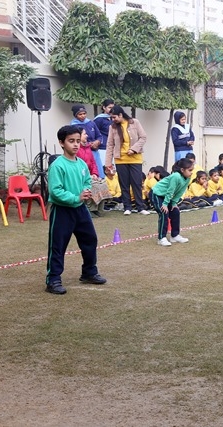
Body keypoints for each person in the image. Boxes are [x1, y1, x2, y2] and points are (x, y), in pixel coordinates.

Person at [45, 125, 107, 295]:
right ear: (62, 143)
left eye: (78, 141)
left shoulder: (81, 164)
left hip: (80, 210)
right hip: (62, 211)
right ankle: (53, 279)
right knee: (58, 245)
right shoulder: (57, 166)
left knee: (90, 239)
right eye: (71, 141)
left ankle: (89, 272)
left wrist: (86, 191)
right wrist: (75, 197)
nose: (75, 144)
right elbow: (55, 191)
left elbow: (87, 181)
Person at [105, 105, 150, 215]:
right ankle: (127, 207)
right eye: (111, 118)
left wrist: (134, 149)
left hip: (135, 158)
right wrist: (108, 163)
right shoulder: (112, 127)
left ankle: (140, 207)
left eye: (114, 117)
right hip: (120, 159)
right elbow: (110, 145)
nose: (113, 119)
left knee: (136, 183)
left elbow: (143, 137)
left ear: (120, 115)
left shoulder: (134, 122)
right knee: (124, 184)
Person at [149, 158, 194, 247]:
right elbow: (170, 191)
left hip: (166, 196)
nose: (191, 172)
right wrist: (165, 204)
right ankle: (161, 238)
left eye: (192, 170)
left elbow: (180, 192)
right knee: (164, 212)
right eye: (189, 170)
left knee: (175, 211)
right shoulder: (176, 176)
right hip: (156, 194)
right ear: (182, 170)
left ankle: (175, 236)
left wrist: (174, 203)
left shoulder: (188, 178)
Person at [70, 104, 104, 178]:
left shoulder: (91, 123)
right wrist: (89, 144)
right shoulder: (73, 126)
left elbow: (99, 136)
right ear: (75, 115)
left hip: (95, 152)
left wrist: (97, 142)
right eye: (80, 114)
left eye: (84, 113)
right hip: (82, 152)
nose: (83, 116)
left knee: (98, 173)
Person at [93, 99, 114, 177]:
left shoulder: (114, 118)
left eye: (113, 107)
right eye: (109, 107)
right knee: (104, 168)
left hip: (113, 147)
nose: (111, 109)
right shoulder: (99, 119)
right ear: (104, 107)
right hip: (103, 147)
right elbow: (95, 132)